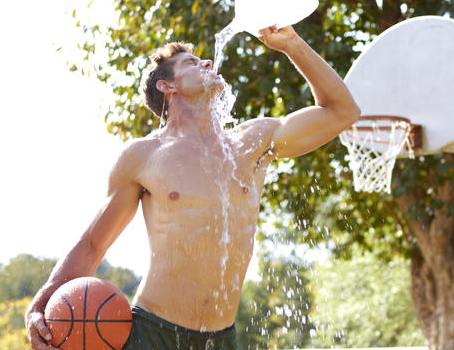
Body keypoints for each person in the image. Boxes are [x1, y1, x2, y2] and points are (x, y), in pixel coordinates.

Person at [25, 24, 360, 350]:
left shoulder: (252, 141)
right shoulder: (143, 155)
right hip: (154, 334)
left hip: (222, 339)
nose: (207, 63)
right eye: (192, 62)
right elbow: (92, 245)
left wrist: (292, 44)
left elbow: (342, 111)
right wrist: (41, 303)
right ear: (168, 87)